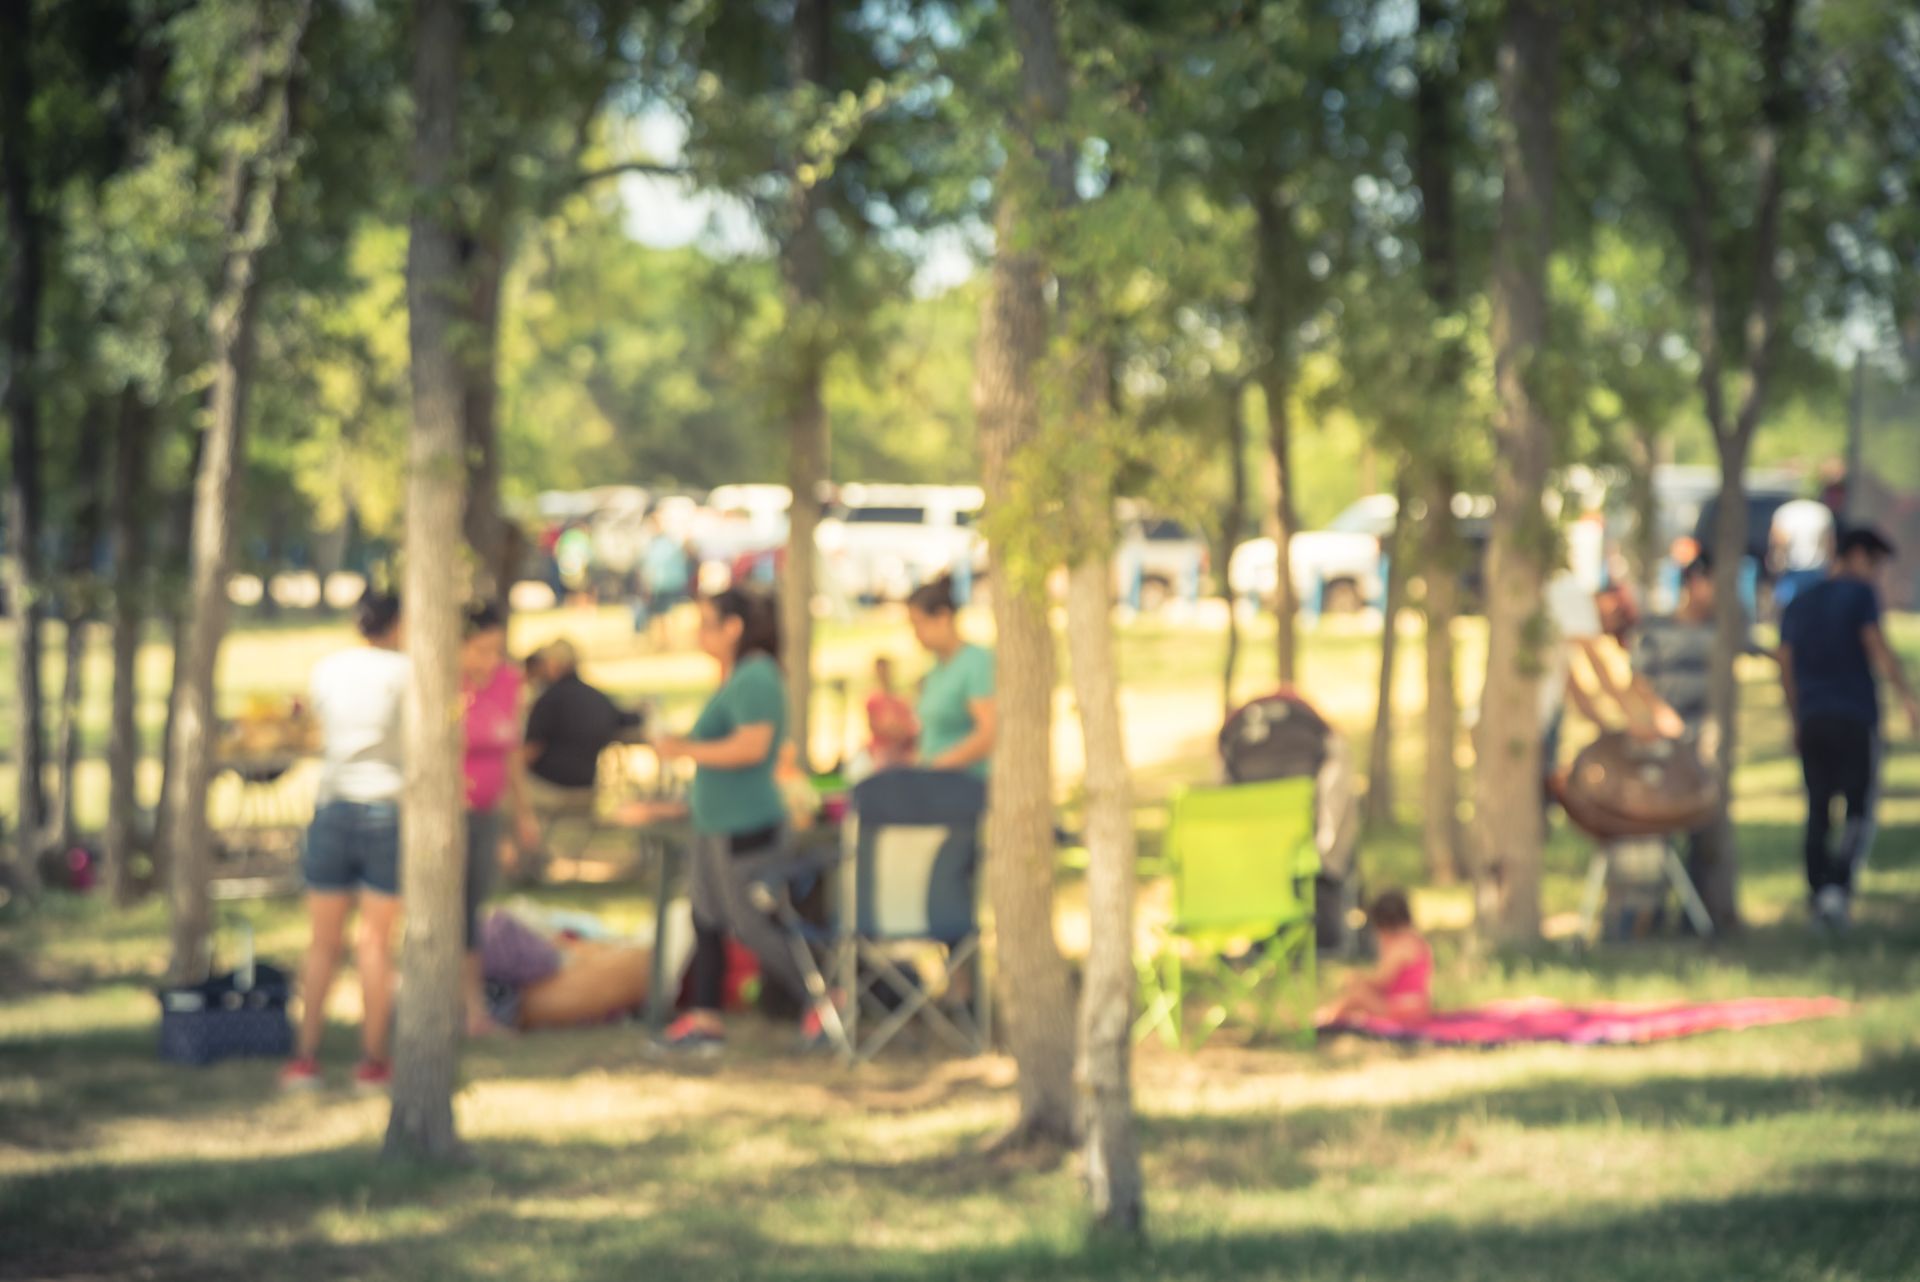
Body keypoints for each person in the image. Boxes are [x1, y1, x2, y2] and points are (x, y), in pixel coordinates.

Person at [651, 586, 821, 1054]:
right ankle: (704, 1017)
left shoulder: (757, 677)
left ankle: (825, 999)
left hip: (746, 825)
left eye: (708, 623)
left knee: (752, 921)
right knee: (706, 915)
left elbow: (752, 747)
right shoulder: (732, 677)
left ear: (735, 627)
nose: (699, 634)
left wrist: (682, 748)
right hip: (713, 822)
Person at [282, 590, 408, 1091]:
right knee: (375, 944)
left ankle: (305, 1058)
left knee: (321, 943)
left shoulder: (327, 669)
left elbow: (309, 724)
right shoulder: (408, 671)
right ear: (398, 623)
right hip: (387, 808)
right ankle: (372, 1061)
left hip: (332, 807)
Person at [1779, 527, 1920, 931]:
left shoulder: (1799, 602)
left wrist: (1796, 716)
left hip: (1813, 718)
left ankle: (1819, 894)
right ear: (1857, 555)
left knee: (1818, 807)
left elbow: (1785, 662)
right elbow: (1875, 645)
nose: (1876, 574)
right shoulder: (1859, 596)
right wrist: (1907, 697)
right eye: (1874, 564)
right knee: (1859, 807)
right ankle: (1837, 891)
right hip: (1855, 716)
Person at [461, 604, 541, 1034]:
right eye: (479, 650)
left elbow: (511, 752)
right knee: (451, 911)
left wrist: (522, 815)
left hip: (486, 812)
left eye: (496, 651)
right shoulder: (445, 685)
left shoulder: (509, 683)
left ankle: (474, 1012)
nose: (489, 661)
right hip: (451, 815)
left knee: (472, 907)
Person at [524, 638, 642, 796]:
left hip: (549, 785)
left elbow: (531, 751)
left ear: (553, 664)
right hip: (586, 782)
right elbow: (627, 719)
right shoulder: (596, 698)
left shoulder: (549, 700)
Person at [907, 575, 996, 777]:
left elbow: (989, 733)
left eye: (919, 624)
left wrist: (940, 765)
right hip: (932, 778)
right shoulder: (936, 669)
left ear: (943, 617)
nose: (916, 634)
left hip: (964, 780)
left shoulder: (977, 662)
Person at [1314, 891, 1432, 1027]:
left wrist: (1356, 978)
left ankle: (1322, 1018)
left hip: (1404, 1008)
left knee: (1358, 994)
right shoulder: (1416, 940)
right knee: (1358, 997)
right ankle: (1327, 1015)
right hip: (1419, 1006)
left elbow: (1381, 980)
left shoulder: (1400, 946)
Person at [1770, 498, 1835, 615]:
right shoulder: (1822, 512)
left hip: (1793, 570)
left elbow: (1779, 541)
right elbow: (1829, 544)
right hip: (1817, 571)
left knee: (1788, 611)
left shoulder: (1784, 512)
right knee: (1817, 613)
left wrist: (1776, 564)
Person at [864, 656, 918, 774]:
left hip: (902, 750)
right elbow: (875, 726)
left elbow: (910, 725)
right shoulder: (873, 699)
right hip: (882, 750)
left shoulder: (901, 699)